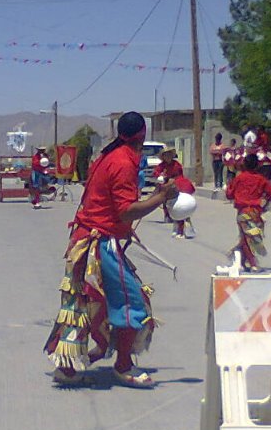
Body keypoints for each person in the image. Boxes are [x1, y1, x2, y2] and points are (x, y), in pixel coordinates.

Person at [43, 110, 179, 389]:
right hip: (99, 244)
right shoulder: (122, 162)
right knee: (132, 301)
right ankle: (123, 365)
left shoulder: (108, 156)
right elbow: (126, 211)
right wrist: (161, 197)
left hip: (88, 237)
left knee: (89, 303)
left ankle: (72, 365)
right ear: (143, 134)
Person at [226, 151, 271, 271]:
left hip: (243, 212)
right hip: (255, 212)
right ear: (257, 165)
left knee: (246, 237)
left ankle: (251, 263)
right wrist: (264, 202)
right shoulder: (261, 179)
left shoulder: (239, 178)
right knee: (250, 236)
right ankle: (245, 260)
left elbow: (229, 194)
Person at [152, 147, 185, 222]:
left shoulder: (177, 164)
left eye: (169, 155)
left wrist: (175, 180)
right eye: (166, 155)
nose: (168, 157)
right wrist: (161, 175)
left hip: (175, 183)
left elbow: (180, 175)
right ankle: (167, 215)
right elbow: (155, 173)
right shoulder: (161, 166)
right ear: (163, 157)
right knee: (164, 199)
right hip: (165, 184)